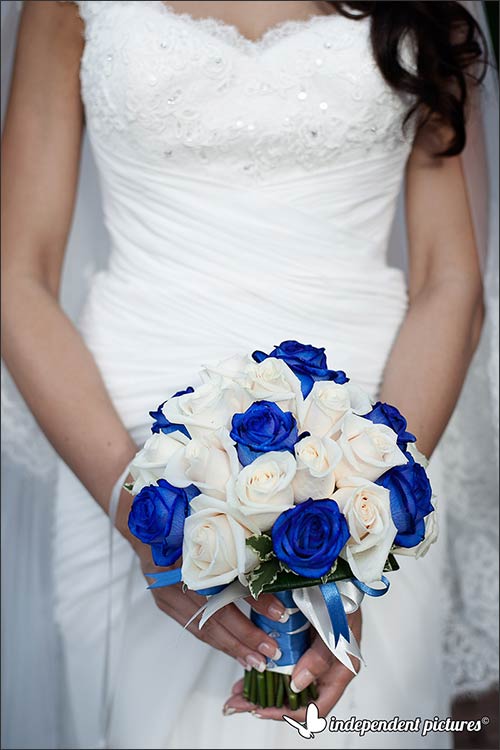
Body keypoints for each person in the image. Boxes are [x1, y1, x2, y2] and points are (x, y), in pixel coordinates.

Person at [1, 2, 497, 749]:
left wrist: (368, 509)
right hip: (118, 441)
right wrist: (141, 517)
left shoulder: (426, 9)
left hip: (379, 426)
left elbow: (450, 280)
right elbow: (17, 277)